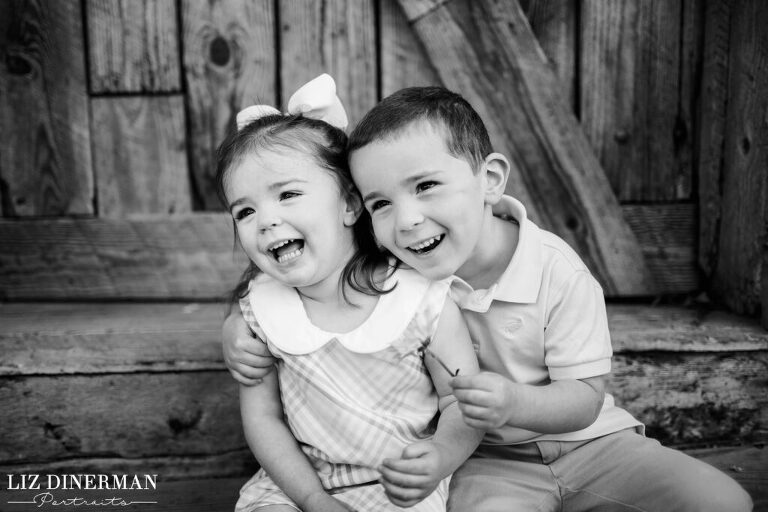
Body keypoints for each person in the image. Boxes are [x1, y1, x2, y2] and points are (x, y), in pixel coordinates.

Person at [223, 84, 754, 512]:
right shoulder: (398, 268)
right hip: (482, 462)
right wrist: (236, 324)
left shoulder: (555, 270)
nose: (407, 220)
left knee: (724, 502)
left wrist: (514, 402)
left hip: (592, 443)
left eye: (426, 186)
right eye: (380, 203)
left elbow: (585, 399)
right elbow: (302, 270)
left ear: (490, 179)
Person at [217, 75, 481, 512]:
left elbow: (459, 401)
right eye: (245, 211)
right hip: (298, 483)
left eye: (288, 194)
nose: (265, 221)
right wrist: (312, 499)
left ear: (349, 204)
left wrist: (437, 458)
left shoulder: (417, 300)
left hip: (401, 483)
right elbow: (264, 420)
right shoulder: (260, 312)